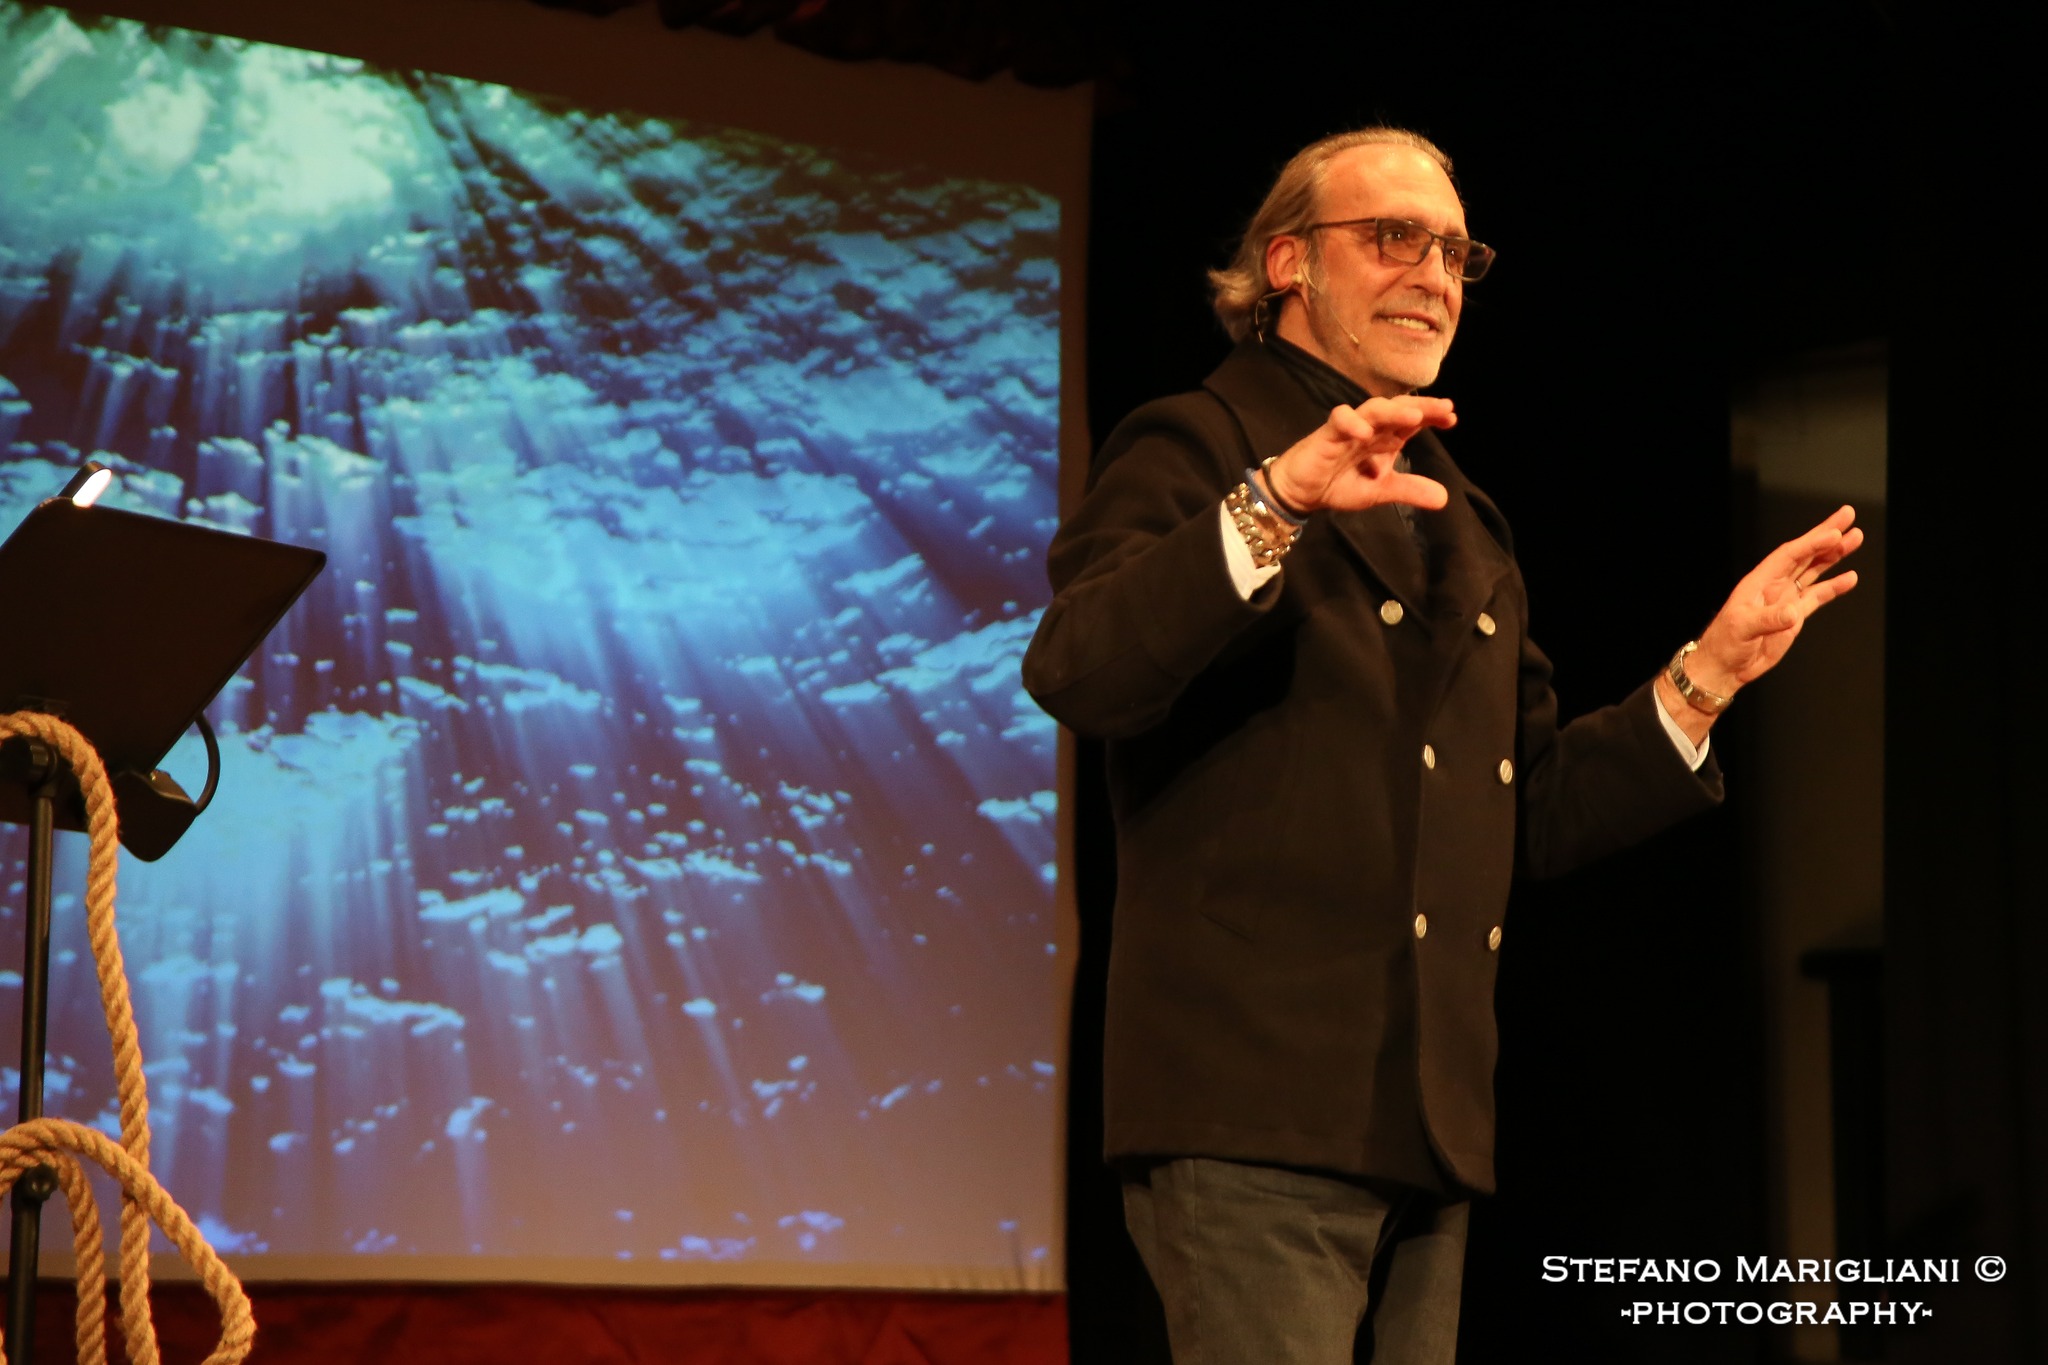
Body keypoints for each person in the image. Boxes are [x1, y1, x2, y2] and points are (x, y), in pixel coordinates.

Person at [1019, 126, 1861, 1364]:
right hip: (1251, 1101)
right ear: (1289, 262)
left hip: (1422, 1118)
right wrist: (1275, 500)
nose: (1432, 275)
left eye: (1455, 252)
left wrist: (1704, 677)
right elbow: (1077, 667)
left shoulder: (1463, 520)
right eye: (1393, 238)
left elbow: (1528, 814)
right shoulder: (1196, 441)